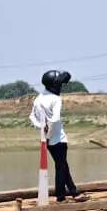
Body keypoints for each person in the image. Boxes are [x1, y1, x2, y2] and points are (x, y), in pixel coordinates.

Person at [29, 69, 82, 202]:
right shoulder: (56, 99)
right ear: (54, 85)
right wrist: (50, 135)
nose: (60, 86)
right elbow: (55, 119)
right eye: (59, 84)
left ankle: (74, 191)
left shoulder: (38, 98)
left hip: (46, 139)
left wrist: (42, 128)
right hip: (58, 138)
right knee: (61, 167)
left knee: (63, 165)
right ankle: (60, 196)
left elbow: (32, 117)